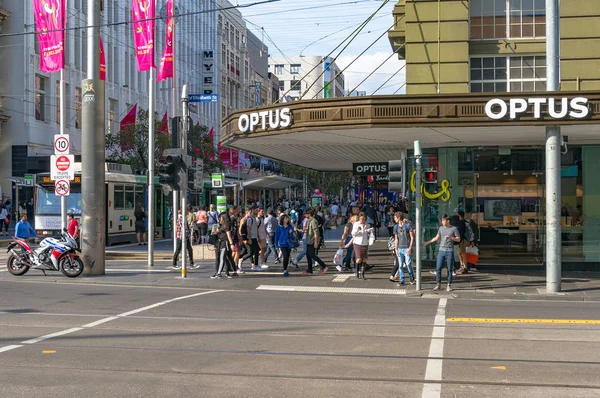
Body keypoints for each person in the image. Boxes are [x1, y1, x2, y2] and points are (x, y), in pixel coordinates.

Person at [423, 215, 460, 292]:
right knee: (438, 268)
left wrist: (451, 238)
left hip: (449, 250)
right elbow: (437, 237)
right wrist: (427, 242)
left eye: (443, 220)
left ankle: (449, 285)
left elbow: (458, 239)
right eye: (442, 220)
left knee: (449, 269)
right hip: (441, 250)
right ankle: (438, 284)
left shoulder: (454, 228)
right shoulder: (441, 228)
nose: (442, 222)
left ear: (448, 221)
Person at [302, 208, 328, 275]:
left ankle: (324, 266)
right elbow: (310, 229)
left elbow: (316, 232)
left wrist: (316, 242)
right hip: (309, 240)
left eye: (306, 214)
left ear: (309, 214)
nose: (305, 215)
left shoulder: (313, 221)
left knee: (312, 255)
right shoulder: (309, 220)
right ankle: (309, 270)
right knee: (308, 255)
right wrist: (304, 230)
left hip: (312, 240)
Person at [393, 212, 415, 286]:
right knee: (400, 265)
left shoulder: (407, 226)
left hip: (406, 247)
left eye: (395, 218)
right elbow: (396, 238)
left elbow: (412, 237)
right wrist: (396, 249)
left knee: (408, 264)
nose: (394, 219)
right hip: (400, 247)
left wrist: (410, 247)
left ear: (399, 218)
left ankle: (411, 276)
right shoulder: (396, 227)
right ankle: (402, 280)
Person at [348, 212, 372, 279]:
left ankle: (362, 273)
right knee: (358, 259)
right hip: (357, 243)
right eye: (360, 219)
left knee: (364, 259)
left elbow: (368, 234)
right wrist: (358, 231)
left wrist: (370, 232)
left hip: (365, 243)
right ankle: (357, 271)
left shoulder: (368, 225)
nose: (362, 220)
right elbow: (353, 234)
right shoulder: (356, 224)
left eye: (363, 219)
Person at [212, 212, 236, 279]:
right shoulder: (223, 224)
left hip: (225, 242)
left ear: (223, 217)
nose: (219, 218)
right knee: (228, 257)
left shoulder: (226, 225)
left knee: (222, 257)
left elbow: (229, 235)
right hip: (221, 242)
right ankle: (233, 271)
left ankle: (219, 273)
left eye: (220, 217)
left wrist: (231, 244)